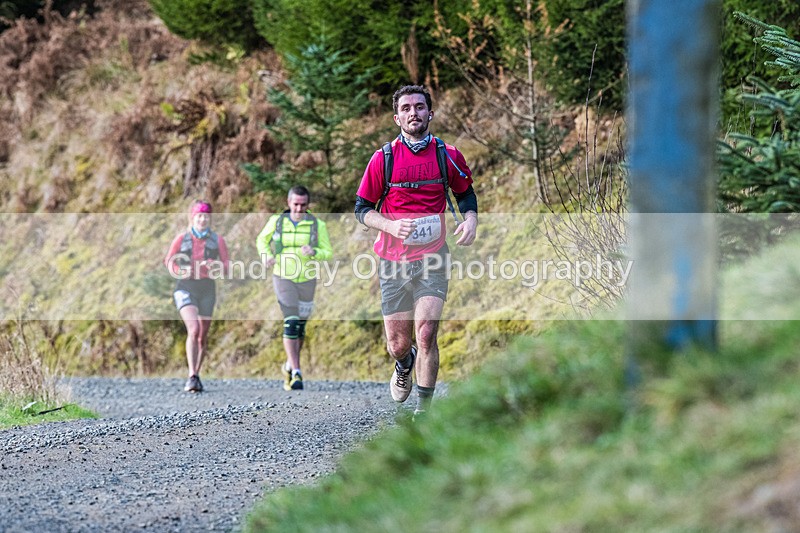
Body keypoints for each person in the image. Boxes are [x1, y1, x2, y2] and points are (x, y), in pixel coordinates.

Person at [354, 84, 479, 416]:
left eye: (420, 107)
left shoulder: (447, 155)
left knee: (426, 333)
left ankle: (424, 412)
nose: (414, 113)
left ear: (430, 113)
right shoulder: (384, 158)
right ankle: (403, 364)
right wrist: (392, 226)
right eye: (406, 108)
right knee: (399, 344)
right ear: (397, 117)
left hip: (433, 257)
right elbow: (362, 208)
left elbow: (466, 195)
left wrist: (470, 220)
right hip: (393, 260)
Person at [256, 185, 333, 391]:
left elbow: (328, 252)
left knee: (300, 327)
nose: (298, 209)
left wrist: (314, 251)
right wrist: (266, 256)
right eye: (295, 204)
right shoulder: (277, 221)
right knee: (290, 322)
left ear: (308, 205)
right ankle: (297, 372)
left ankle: (289, 365)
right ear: (288, 203)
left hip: (307, 278)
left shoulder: (317, 225)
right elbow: (261, 240)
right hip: (283, 276)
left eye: (303, 205)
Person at [164, 200, 230, 393]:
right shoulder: (182, 238)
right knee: (193, 329)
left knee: (202, 335)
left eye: (206, 216)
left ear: (210, 219)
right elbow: (169, 260)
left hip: (207, 288)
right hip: (185, 287)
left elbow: (226, 266)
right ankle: (192, 375)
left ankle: (197, 373)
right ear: (192, 218)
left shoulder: (217, 240)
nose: (202, 219)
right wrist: (177, 270)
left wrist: (216, 267)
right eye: (199, 216)